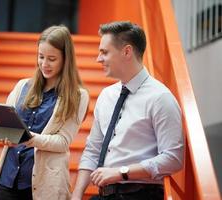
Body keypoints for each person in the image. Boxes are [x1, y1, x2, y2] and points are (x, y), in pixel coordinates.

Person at [71, 21, 184, 200]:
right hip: (104, 195)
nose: (98, 59)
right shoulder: (106, 95)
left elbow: (173, 158)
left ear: (127, 52)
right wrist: (76, 194)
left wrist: (121, 172)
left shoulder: (160, 97)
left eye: (104, 52)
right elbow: (93, 149)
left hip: (140, 194)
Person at [0, 25, 89, 200]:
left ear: (66, 59)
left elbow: (63, 142)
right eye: (41, 57)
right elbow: (3, 124)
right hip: (7, 178)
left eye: (52, 59)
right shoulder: (22, 86)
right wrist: (3, 132)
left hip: (44, 184)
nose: (44, 64)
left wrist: (31, 139)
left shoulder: (78, 95)